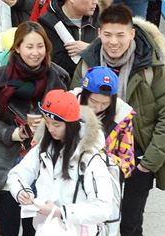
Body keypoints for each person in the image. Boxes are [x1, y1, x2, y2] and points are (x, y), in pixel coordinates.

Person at [72, 4, 165, 234]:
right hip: (96, 157)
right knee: (95, 220)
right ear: (99, 32)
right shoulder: (87, 63)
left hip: (138, 156)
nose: (114, 42)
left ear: (132, 33)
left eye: (120, 35)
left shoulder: (151, 67)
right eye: (108, 35)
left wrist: (148, 163)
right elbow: (74, 109)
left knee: (131, 223)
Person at [0, 21, 70, 236]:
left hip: (44, 164)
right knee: (7, 228)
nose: (35, 53)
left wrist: (48, 124)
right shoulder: (1, 76)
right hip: (6, 163)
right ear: (17, 47)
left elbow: (69, 119)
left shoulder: (57, 77)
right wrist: (14, 133)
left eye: (40, 46)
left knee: (36, 229)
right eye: (29, 47)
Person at [7, 88, 116, 231]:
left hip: (79, 231)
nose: (50, 129)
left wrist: (61, 212)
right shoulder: (44, 148)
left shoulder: (90, 156)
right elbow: (16, 175)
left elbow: (103, 207)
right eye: (47, 123)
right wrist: (22, 192)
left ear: (71, 124)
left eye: (56, 124)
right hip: (46, 228)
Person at [39, 0, 108, 75]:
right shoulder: (48, 24)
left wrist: (89, 48)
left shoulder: (99, 20)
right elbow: (53, 66)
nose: (95, 1)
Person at [75, 66, 136, 179]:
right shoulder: (65, 106)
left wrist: (100, 157)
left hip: (101, 182)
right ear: (84, 94)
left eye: (105, 104)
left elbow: (127, 164)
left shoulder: (122, 116)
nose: (98, 107)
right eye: (93, 101)